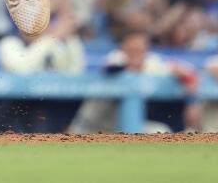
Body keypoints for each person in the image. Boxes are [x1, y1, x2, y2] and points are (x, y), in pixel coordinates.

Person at [68, 30, 199, 133]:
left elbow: (187, 72)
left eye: (140, 49)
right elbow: (111, 67)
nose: (136, 53)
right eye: (132, 49)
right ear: (123, 46)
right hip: (92, 123)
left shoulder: (151, 63)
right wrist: (128, 65)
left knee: (161, 131)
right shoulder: (115, 57)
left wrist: (191, 103)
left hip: (123, 124)